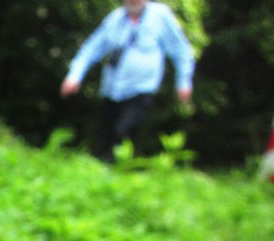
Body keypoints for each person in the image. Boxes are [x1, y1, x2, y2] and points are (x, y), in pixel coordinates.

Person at [60, 0, 194, 162]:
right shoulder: (114, 19)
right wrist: (75, 75)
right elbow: (92, 48)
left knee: (122, 132)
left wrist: (183, 82)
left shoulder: (160, 16)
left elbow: (180, 50)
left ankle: (118, 170)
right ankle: (103, 174)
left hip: (141, 90)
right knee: (105, 136)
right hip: (112, 90)